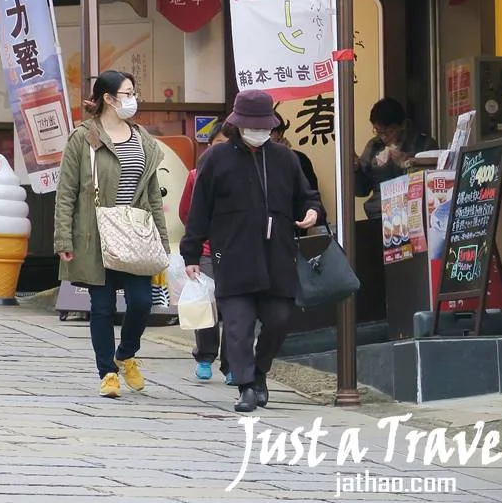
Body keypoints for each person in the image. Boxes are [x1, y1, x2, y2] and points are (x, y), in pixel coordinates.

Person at [181, 90, 322, 413]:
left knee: (278, 319)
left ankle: (260, 372)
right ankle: (245, 386)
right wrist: (191, 255)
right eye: (253, 126)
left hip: (278, 257)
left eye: (265, 126)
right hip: (232, 257)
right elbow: (198, 209)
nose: (259, 132)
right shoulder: (215, 159)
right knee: (237, 326)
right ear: (237, 124)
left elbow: (308, 196)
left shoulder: (286, 159)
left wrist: (312, 213)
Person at [52, 70, 170, 400]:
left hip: (134, 234)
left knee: (142, 302)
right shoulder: (84, 138)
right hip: (95, 236)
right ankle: (108, 372)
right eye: (128, 93)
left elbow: (153, 195)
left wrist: (161, 240)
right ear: (109, 98)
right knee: (102, 307)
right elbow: (67, 192)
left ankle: (126, 353)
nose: (133, 99)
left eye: (134, 93)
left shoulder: (142, 138)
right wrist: (63, 238)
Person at [355, 97, 437, 219]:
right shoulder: (374, 146)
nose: (383, 137)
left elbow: (433, 184)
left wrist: (406, 165)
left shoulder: (423, 144)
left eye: (389, 132)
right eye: (378, 131)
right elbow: (361, 190)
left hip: (414, 214)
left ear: (402, 125)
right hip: (379, 215)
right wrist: (356, 169)